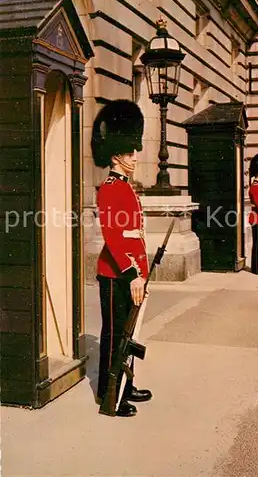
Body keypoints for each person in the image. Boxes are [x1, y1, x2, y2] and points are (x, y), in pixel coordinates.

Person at [91, 99, 152, 417]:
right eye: (130, 153)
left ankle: (125, 386)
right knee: (115, 335)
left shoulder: (126, 188)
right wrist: (133, 275)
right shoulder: (110, 189)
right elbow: (114, 240)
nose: (135, 157)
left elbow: (134, 234)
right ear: (116, 154)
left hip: (130, 274)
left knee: (129, 334)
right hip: (116, 276)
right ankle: (108, 393)